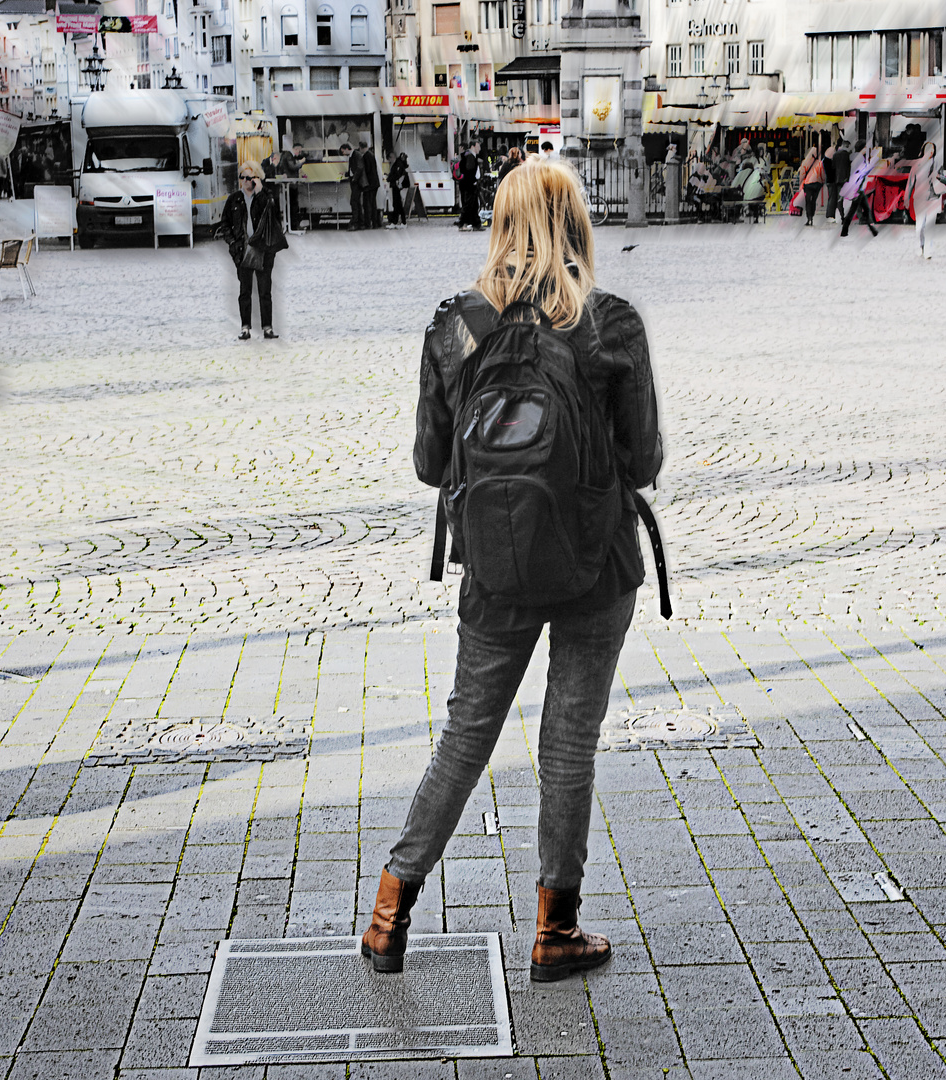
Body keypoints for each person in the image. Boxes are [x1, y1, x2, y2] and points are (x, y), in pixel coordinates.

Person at [363, 158, 661, 984]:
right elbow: (644, 458)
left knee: (465, 735)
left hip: (495, 567)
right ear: (576, 226)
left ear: (498, 224)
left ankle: (390, 913)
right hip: (597, 566)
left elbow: (430, 466)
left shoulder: (455, 326)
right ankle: (553, 930)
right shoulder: (610, 324)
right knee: (568, 744)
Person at [218, 165, 287, 340]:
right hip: (242, 250)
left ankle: (267, 327)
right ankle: (245, 328)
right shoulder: (234, 199)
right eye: (243, 177)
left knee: (265, 291)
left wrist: (261, 193)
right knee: (245, 291)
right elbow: (224, 223)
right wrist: (232, 242)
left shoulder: (266, 197)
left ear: (258, 178)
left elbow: (274, 218)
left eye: (250, 177)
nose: (246, 181)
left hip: (263, 249)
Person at [903, 142, 944, 258]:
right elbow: (910, 182)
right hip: (920, 198)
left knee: (930, 226)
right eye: (928, 150)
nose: (930, 152)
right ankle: (920, 245)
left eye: (932, 150)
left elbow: (944, 180)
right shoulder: (917, 164)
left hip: (933, 198)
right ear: (924, 151)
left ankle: (928, 250)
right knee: (920, 226)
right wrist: (907, 198)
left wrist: (939, 177)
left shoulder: (937, 164)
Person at [839, 144, 880, 237]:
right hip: (858, 188)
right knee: (858, 210)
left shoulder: (851, 157)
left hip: (854, 186)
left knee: (861, 209)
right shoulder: (860, 159)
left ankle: (871, 229)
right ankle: (871, 228)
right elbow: (861, 172)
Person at [796, 146, 825, 227]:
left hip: (808, 184)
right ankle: (812, 215)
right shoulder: (819, 162)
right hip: (817, 184)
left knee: (808, 201)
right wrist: (822, 181)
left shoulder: (805, 162)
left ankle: (809, 218)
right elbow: (822, 173)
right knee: (814, 200)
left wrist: (801, 184)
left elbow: (802, 174)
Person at [457, 141, 482, 231]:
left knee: (474, 205)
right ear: (473, 146)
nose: (479, 149)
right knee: (468, 205)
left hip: (467, 184)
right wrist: (473, 182)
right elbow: (469, 172)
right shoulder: (470, 157)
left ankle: (476, 224)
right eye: (478, 146)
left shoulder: (467, 155)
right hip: (469, 185)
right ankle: (462, 223)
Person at [823, 140, 850, 223]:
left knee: (838, 198)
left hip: (837, 180)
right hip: (844, 179)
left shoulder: (834, 156)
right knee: (843, 198)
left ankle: (840, 215)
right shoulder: (846, 155)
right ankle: (842, 215)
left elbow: (834, 167)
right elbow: (848, 167)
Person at [341, 142, 365, 230]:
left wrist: (354, 178)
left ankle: (355, 222)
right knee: (357, 202)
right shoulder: (353, 155)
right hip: (355, 181)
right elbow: (354, 168)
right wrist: (347, 174)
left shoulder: (356, 155)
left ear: (347, 149)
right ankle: (360, 222)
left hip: (357, 182)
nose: (343, 153)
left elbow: (359, 167)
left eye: (343, 151)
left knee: (354, 201)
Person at [387, 152, 412, 228]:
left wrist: (389, 178)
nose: (389, 162)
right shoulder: (399, 164)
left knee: (397, 204)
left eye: (389, 160)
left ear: (391, 157)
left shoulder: (397, 165)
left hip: (397, 186)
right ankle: (397, 222)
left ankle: (401, 222)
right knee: (397, 204)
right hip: (398, 186)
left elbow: (397, 176)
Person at [363, 148, 383, 229]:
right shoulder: (371, 155)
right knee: (373, 203)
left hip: (370, 184)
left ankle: (369, 223)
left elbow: (367, 170)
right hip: (374, 183)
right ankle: (374, 223)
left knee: (368, 204)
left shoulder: (366, 156)